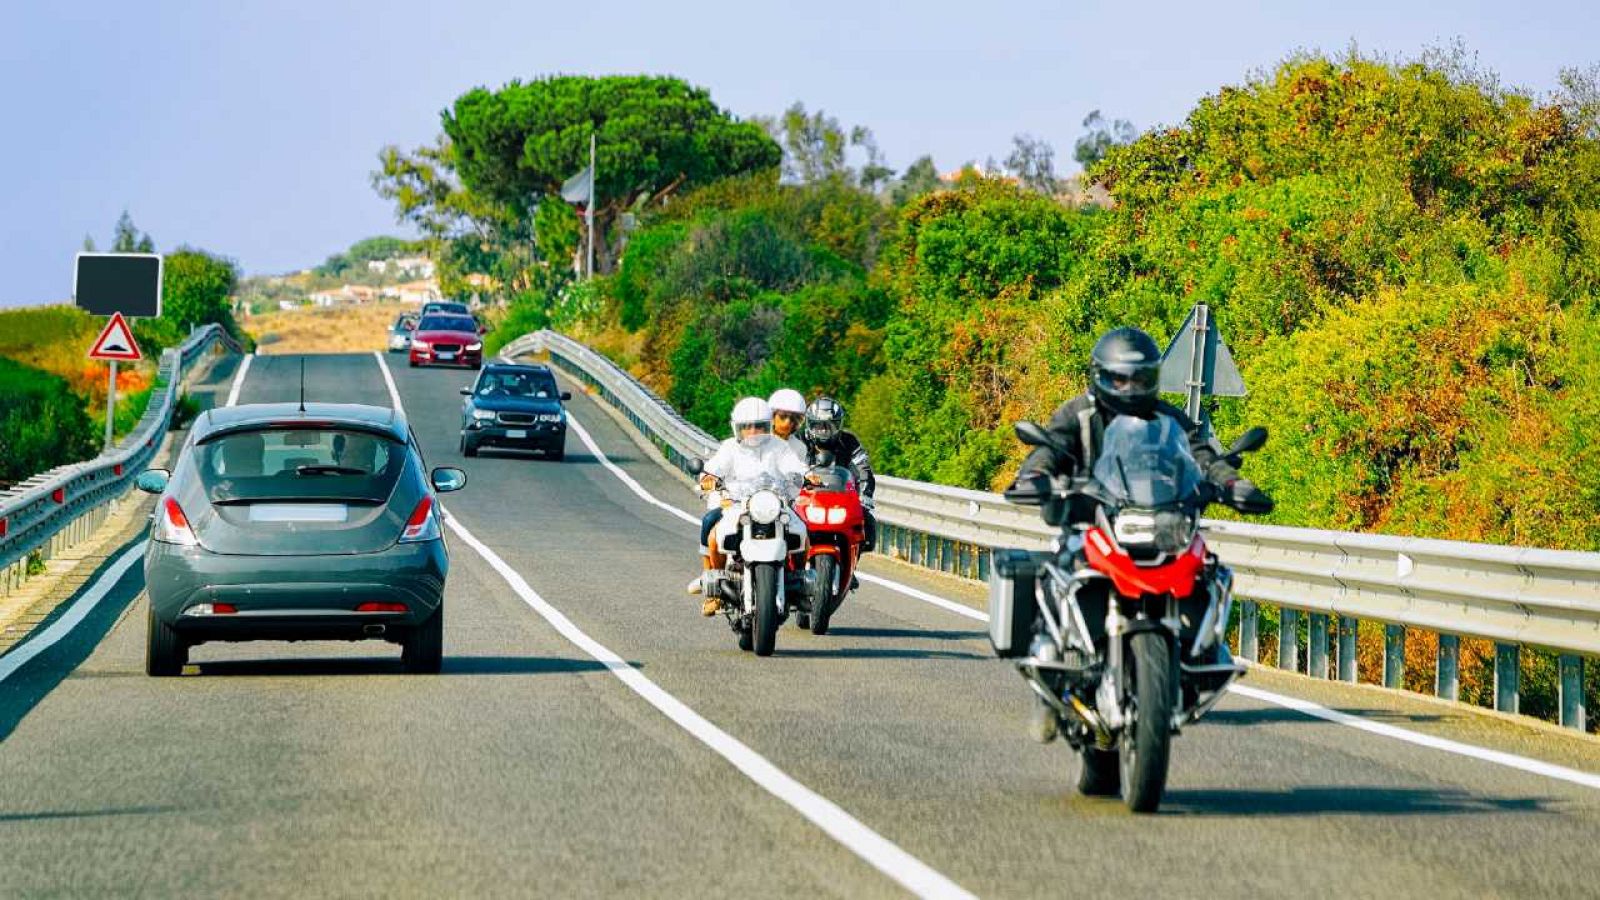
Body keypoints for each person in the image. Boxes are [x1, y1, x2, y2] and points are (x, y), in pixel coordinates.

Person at [1009, 326, 1270, 743]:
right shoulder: (1078, 414)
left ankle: (1198, 652)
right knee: (1056, 573)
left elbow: (1200, 453)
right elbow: (1051, 447)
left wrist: (1231, 482)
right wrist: (1036, 474)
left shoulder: (1167, 419)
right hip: (1092, 521)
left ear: (1154, 377)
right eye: (1119, 378)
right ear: (1100, 376)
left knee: (1208, 571)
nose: (1129, 387)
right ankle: (1050, 665)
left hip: (1159, 522)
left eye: (1140, 378)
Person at [689, 396, 808, 616]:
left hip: (773, 504)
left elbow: (794, 465)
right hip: (737, 505)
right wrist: (707, 477)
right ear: (737, 428)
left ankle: (799, 583)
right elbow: (714, 467)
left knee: (801, 530)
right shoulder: (729, 448)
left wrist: (806, 475)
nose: (753, 431)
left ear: (768, 426)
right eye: (747, 427)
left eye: (760, 426)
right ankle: (714, 590)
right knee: (715, 536)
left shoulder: (779, 447)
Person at [801, 396, 877, 554]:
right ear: (810, 424)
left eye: (829, 425)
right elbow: (786, 467)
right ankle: (787, 570)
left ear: (838, 425)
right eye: (818, 425)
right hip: (805, 500)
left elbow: (864, 469)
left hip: (841, 500)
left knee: (867, 526)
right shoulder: (800, 441)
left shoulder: (849, 441)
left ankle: (851, 564)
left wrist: (865, 496)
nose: (824, 430)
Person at [767, 388, 809, 463]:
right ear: (772, 416)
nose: (787, 422)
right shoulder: (758, 441)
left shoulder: (799, 448)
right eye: (782, 416)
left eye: (793, 419)